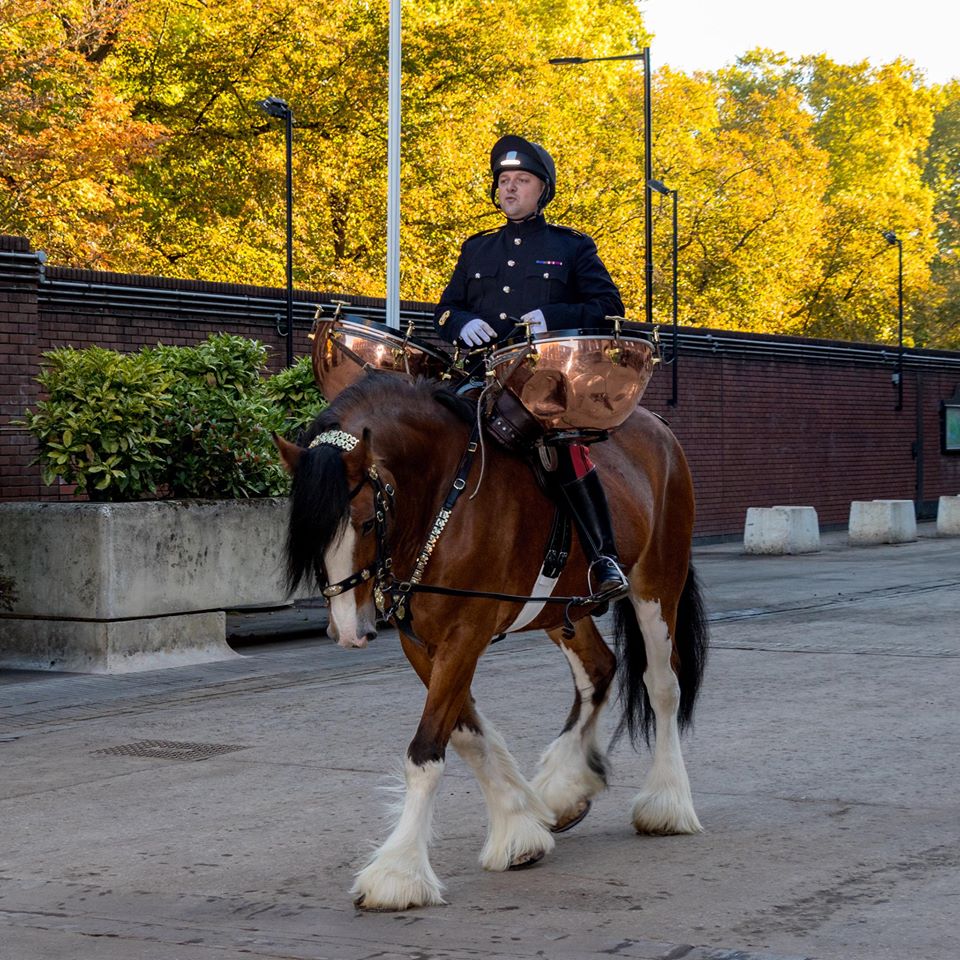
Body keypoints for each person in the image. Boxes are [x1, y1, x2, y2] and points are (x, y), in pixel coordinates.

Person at [433, 134, 629, 599]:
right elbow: (442, 310)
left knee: (564, 448)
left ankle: (604, 560)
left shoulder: (572, 247)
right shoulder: (476, 248)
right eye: (504, 180)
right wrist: (461, 323)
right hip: (481, 377)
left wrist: (554, 317)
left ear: (543, 190)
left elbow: (608, 304)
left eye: (521, 180)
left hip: (544, 381)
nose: (510, 188)